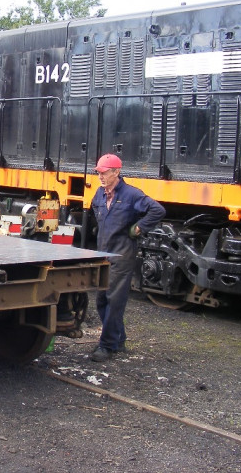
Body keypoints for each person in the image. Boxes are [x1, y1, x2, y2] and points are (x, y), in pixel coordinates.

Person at [90, 153, 165, 362]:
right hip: (104, 253)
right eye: (99, 173)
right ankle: (119, 339)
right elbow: (96, 214)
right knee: (101, 300)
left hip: (122, 255)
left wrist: (139, 228)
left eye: (104, 173)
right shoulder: (99, 194)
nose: (101, 177)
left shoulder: (132, 195)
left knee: (114, 301)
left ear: (116, 172)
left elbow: (157, 210)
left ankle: (107, 346)